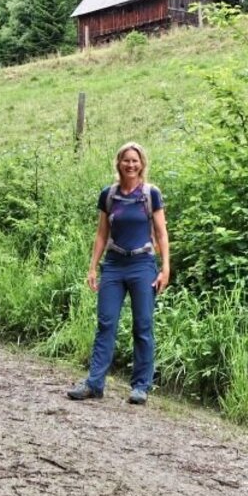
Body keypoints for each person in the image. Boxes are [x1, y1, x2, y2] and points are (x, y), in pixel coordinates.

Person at [67, 141, 170, 405]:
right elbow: (102, 233)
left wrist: (165, 268)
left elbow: (161, 233)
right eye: (126, 160)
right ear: (119, 163)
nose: (131, 165)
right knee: (106, 324)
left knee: (143, 326)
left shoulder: (150, 194)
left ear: (142, 164)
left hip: (143, 265)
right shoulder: (109, 195)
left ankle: (140, 386)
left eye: (135, 160)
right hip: (114, 265)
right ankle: (94, 383)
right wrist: (93, 267)